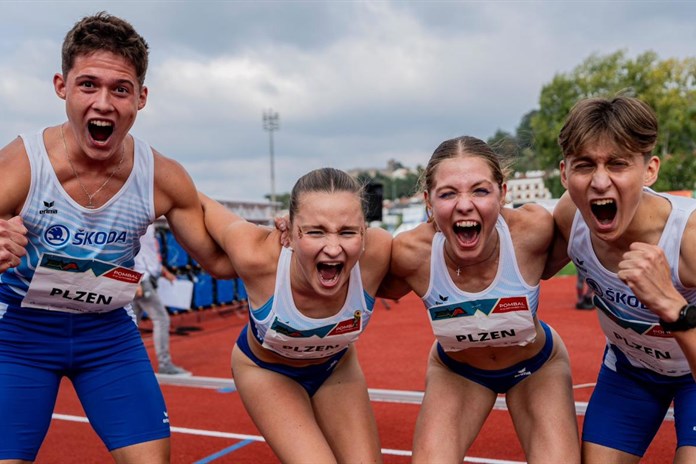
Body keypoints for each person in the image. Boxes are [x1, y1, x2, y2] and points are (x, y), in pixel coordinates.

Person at [0, 12, 234, 463]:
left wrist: (284, 237)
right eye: (88, 84)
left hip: (107, 335)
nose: (103, 103)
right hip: (19, 334)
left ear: (141, 97)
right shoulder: (20, 165)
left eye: (120, 89)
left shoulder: (161, 177)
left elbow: (220, 263)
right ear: (61, 86)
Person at [379, 136, 580, 463]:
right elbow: (353, 278)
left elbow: (598, 233)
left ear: (503, 192)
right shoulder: (411, 254)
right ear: (428, 200)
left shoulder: (533, 232)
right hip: (457, 371)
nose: (464, 204)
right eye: (447, 194)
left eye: (480, 190)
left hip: (537, 367)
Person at [199, 167, 392, 464]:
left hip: (336, 367)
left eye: (347, 232)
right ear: (287, 232)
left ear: (365, 232)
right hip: (266, 371)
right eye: (315, 231)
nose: (333, 248)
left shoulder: (379, 253)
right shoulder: (255, 254)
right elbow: (197, 203)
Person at [544, 95, 696, 463]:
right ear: (565, 174)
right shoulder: (570, 217)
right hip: (630, 373)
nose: (599, 181)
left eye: (617, 164)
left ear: (650, 170)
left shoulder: (688, 239)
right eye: (584, 165)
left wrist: (674, 309)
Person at [132, 224, 191, 376]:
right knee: (161, 319)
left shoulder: (150, 227)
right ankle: (164, 364)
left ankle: (123, 364)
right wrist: (135, 280)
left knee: (131, 324)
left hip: (146, 279)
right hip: (141, 280)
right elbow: (126, 251)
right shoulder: (139, 223)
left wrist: (164, 272)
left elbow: (150, 254)